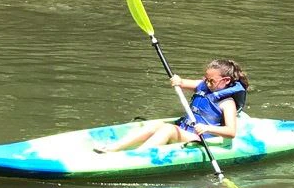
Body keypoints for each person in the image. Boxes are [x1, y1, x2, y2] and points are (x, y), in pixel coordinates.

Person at [95, 58, 249, 153]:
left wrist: (208, 128)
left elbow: (231, 132)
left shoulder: (227, 103)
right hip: (185, 129)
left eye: (211, 81)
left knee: (168, 128)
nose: (206, 83)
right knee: (156, 124)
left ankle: (138, 155)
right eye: (205, 79)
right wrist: (178, 81)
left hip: (201, 136)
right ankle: (115, 147)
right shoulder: (204, 85)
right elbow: (181, 82)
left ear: (226, 81)